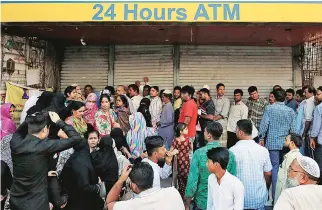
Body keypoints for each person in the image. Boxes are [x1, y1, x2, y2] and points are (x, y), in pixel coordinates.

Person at [10, 111, 82, 210]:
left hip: (16, 199)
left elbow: (20, 130)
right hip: (37, 203)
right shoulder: (44, 146)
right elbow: (76, 138)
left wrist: (36, 117)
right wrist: (58, 121)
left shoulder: (15, 142)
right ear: (45, 129)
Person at [185, 122, 236, 210]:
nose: (203, 133)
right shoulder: (230, 155)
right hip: (222, 203)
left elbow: (192, 181)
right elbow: (233, 179)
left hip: (202, 202)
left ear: (209, 135)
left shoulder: (199, 153)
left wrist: (187, 204)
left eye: (204, 132)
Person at [258, 89, 297, 201]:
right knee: (286, 168)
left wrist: (261, 138)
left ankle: (276, 197)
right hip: (287, 144)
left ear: (274, 97)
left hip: (272, 144)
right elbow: (294, 130)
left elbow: (264, 125)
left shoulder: (269, 109)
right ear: (285, 97)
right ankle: (286, 196)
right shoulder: (290, 111)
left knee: (274, 168)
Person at [230, 119, 272, 210]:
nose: (235, 132)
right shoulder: (263, 150)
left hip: (239, 200)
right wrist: (266, 188)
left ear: (240, 132)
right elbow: (268, 174)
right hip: (259, 199)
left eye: (236, 130)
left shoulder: (232, 151)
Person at [106, 162, 185, 210]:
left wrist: (121, 180)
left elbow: (109, 204)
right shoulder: (173, 192)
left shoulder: (128, 206)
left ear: (134, 186)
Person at [60, 139, 104, 210]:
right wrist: (98, 187)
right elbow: (84, 186)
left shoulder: (73, 158)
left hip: (72, 199)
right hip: (82, 201)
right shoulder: (83, 160)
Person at [275, 134, 302, 203]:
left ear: (292, 143)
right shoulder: (298, 155)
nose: (284, 141)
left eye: (286, 140)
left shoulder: (291, 157)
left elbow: (285, 178)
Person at [170, 123, 191, 197]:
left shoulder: (175, 140)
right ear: (181, 131)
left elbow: (171, 151)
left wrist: (173, 152)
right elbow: (191, 151)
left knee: (180, 178)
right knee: (185, 177)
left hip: (179, 162)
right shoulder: (188, 140)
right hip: (185, 162)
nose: (187, 130)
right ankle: (186, 193)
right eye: (186, 129)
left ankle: (182, 193)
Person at [178, 86, 198, 153]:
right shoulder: (192, 103)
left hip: (187, 134)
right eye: (182, 93)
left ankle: (189, 164)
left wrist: (181, 133)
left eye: (184, 93)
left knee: (187, 154)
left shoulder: (189, 104)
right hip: (190, 133)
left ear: (190, 95)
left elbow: (187, 120)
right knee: (188, 153)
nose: (182, 95)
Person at [213, 83, 230, 147]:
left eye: (223, 89)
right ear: (217, 90)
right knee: (215, 143)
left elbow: (223, 114)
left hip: (222, 125)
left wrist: (213, 119)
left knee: (222, 145)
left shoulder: (226, 100)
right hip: (214, 126)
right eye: (220, 89)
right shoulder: (213, 99)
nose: (222, 91)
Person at [310, 86, 322, 174]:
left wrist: (312, 138)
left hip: (321, 141)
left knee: (320, 165)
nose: (316, 96)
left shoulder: (319, 108)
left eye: (318, 94)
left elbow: (316, 125)